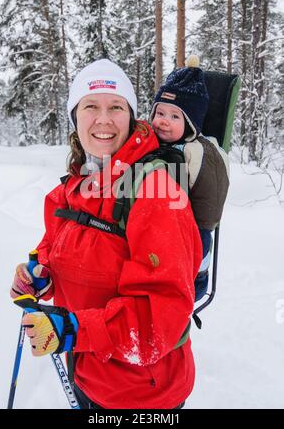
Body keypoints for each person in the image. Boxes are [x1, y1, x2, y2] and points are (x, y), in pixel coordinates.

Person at [10, 59, 202, 409]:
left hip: (141, 393)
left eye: (116, 107)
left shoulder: (156, 192)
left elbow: (162, 315)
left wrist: (71, 329)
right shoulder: (74, 186)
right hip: (87, 372)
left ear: (130, 117)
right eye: (90, 106)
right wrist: (40, 276)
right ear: (75, 117)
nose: (103, 119)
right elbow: (59, 251)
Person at [150, 56, 229, 301]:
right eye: (160, 112)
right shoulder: (150, 142)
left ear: (191, 123)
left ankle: (193, 282)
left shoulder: (198, 151)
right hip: (155, 227)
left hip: (191, 230)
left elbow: (210, 199)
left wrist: (196, 230)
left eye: (175, 117)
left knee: (198, 247)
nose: (163, 121)